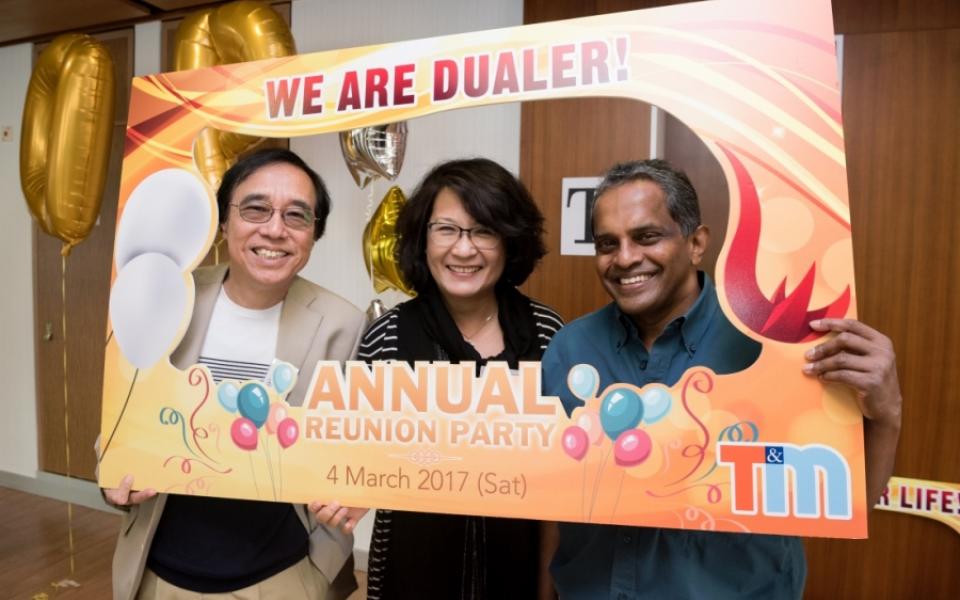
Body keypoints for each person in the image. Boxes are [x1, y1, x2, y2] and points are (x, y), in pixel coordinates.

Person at [541, 159, 902, 599]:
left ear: (696, 243)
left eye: (647, 236)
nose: (625, 258)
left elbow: (846, 502)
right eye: (606, 243)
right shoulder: (570, 350)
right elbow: (552, 496)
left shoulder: (773, 347)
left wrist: (886, 414)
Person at [102, 148, 367, 600]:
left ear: (314, 235)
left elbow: (355, 445)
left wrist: (356, 488)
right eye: (255, 208)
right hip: (161, 572)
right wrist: (113, 474)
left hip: (285, 573)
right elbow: (121, 413)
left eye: (297, 215)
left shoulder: (344, 323)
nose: (275, 229)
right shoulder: (170, 293)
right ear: (225, 222)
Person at [354, 158, 564, 599]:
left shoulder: (548, 334)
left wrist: (548, 589)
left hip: (519, 577)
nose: (463, 250)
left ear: (510, 241)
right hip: (409, 577)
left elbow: (560, 481)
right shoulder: (387, 338)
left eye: (484, 230)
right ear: (422, 239)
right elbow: (357, 464)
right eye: (446, 229)